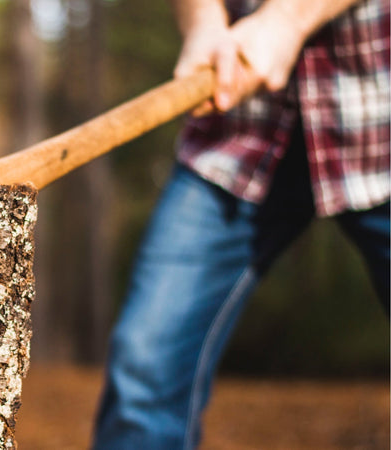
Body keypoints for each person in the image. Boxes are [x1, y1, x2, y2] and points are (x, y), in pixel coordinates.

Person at [93, 0, 390, 448]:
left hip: (376, 121)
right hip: (236, 136)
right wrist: (202, 21)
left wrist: (288, 18)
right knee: (145, 367)